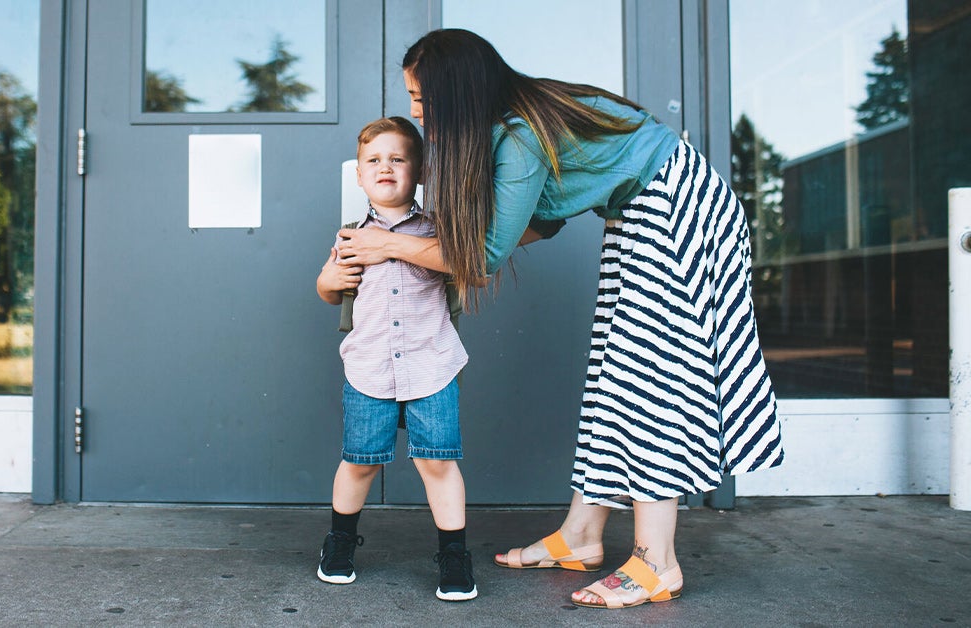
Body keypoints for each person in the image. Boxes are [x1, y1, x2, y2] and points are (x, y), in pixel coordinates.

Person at [334, 29, 785, 610]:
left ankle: (657, 563)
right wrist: (437, 246)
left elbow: (482, 259)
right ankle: (581, 535)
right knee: (611, 372)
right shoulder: (513, 128)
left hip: (678, 208)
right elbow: (535, 225)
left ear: (456, 91)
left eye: (420, 97)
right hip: (638, 211)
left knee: (650, 378)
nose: (416, 111)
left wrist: (391, 247)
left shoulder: (518, 134)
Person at [314, 116, 477, 602]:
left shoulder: (438, 232)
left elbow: (464, 263)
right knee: (360, 462)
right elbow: (325, 287)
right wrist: (331, 283)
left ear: (420, 170)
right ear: (360, 176)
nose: (385, 167)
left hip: (432, 366)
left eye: (398, 158)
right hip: (369, 368)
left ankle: (453, 555)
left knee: (438, 463)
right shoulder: (349, 235)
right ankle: (340, 542)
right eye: (374, 160)